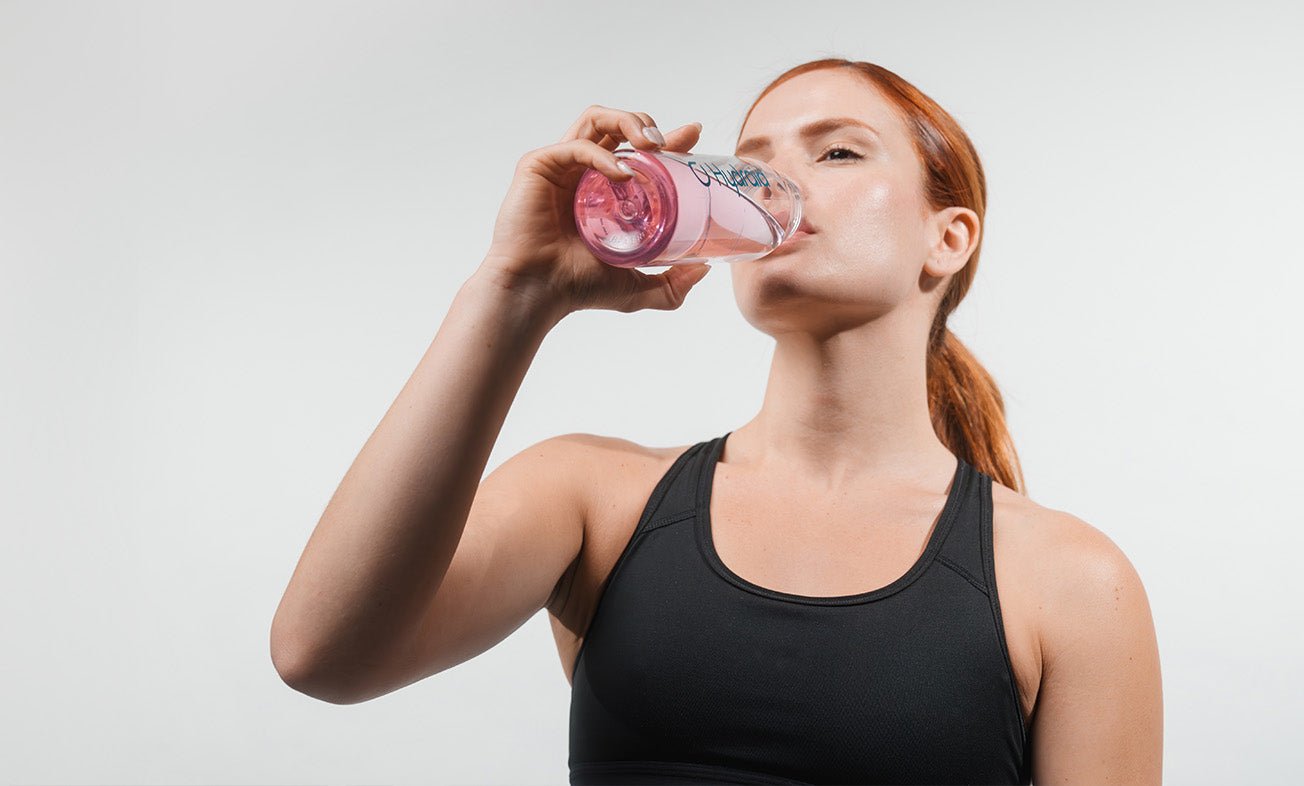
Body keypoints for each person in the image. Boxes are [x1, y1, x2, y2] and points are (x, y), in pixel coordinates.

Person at [270, 57, 1163, 785]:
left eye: (839, 154)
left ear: (949, 238)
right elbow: (322, 654)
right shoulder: (595, 500)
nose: (775, 185)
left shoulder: (1071, 583)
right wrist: (515, 291)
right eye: (755, 158)